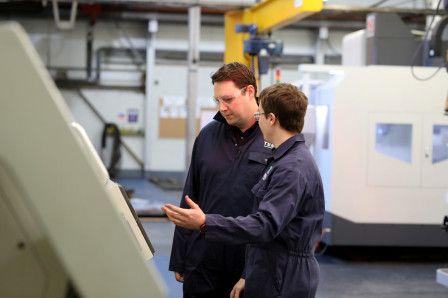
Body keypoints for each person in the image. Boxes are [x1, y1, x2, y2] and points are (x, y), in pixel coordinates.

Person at [162, 83, 325, 298]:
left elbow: (264, 225)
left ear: (272, 119)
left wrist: (205, 222)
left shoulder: (291, 168)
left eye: (261, 114)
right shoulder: (284, 159)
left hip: (283, 275)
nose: (258, 119)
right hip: (270, 268)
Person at [169, 62, 273, 298]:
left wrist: (253, 270)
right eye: (218, 101)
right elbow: (190, 194)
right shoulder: (208, 135)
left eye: (228, 99)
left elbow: (273, 215)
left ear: (249, 92)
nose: (222, 108)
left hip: (246, 262)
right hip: (204, 260)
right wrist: (180, 255)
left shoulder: (272, 138)